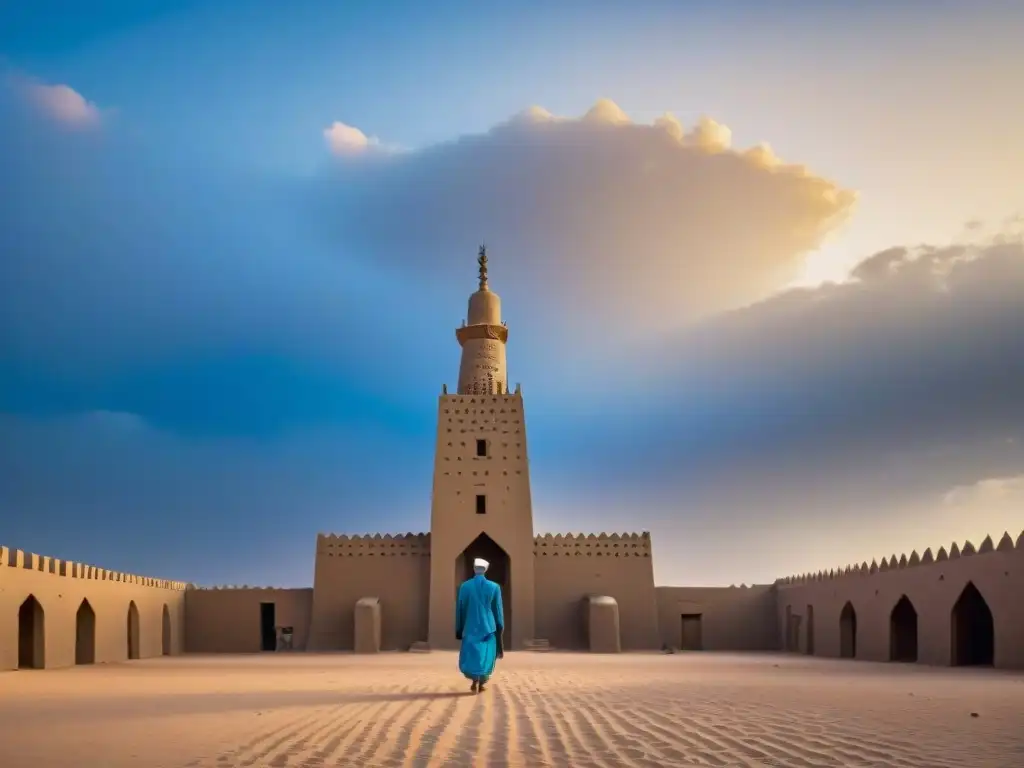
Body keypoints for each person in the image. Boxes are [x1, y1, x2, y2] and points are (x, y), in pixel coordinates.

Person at [455, 557, 504, 693]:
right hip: (489, 628)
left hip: (470, 627)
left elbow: (460, 609)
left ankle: (474, 681)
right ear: (486, 570)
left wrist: (459, 628)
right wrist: (500, 627)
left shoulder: (465, 587)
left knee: (472, 655)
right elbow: (498, 610)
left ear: (474, 569)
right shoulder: (494, 587)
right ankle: (482, 682)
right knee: (486, 655)